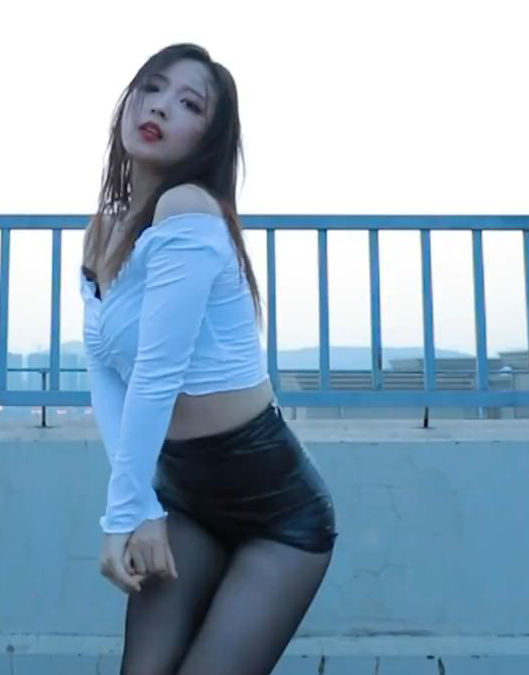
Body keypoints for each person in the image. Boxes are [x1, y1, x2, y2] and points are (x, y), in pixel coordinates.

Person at [80, 43, 337, 675]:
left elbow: (158, 373)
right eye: (152, 88)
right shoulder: (103, 230)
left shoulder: (189, 209)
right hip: (185, 496)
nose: (160, 107)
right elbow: (107, 375)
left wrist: (121, 514)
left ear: (208, 137)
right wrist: (142, 507)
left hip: (276, 511)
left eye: (188, 104)